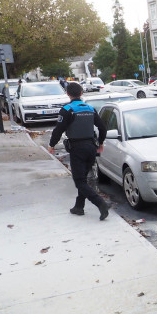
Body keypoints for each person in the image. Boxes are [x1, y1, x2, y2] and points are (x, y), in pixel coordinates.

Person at [48, 82, 109, 220]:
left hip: (77, 149)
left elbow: (59, 130)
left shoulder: (67, 109)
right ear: (81, 93)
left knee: (79, 181)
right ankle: (78, 207)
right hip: (91, 148)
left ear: (68, 94)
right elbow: (102, 128)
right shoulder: (90, 108)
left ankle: (101, 203)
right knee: (83, 179)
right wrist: (101, 142)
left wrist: (52, 145)